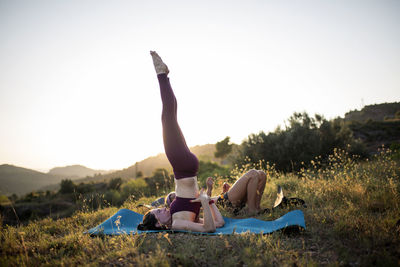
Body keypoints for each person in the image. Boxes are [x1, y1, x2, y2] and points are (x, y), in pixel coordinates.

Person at [137, 51, 225, 233]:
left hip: (186, 167)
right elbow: (211, 228)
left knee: (171, 118)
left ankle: (164, 76)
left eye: (159, 208)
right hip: (183, 166)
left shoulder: (179, 215)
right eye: (158, 212)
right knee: (167, 118)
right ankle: (161, 74)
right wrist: (206, 201)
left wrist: (208, 199)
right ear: (159, 224)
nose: (162, 208)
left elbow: (218, 224)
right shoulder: (177, 224)